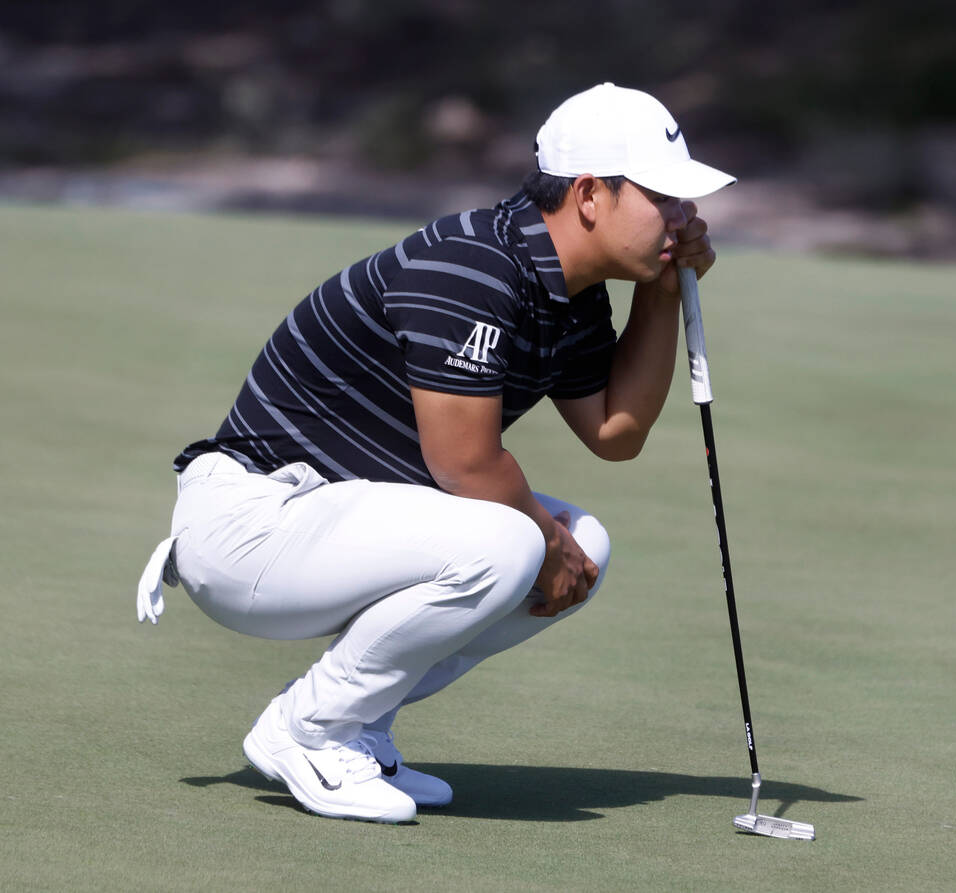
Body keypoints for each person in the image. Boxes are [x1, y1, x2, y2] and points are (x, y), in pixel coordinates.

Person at [134, 82, 735, 824]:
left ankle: (357, 724)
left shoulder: (568, 292)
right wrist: (544, 542)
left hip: (330, 522)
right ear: (589, 195)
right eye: (665, 197)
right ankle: (309, 727)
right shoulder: (471, 267)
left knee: (584, 544)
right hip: (252, 527)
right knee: (513, 540)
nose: (688, 216)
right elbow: (465, 465)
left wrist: (663, 291)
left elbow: (617, 432)